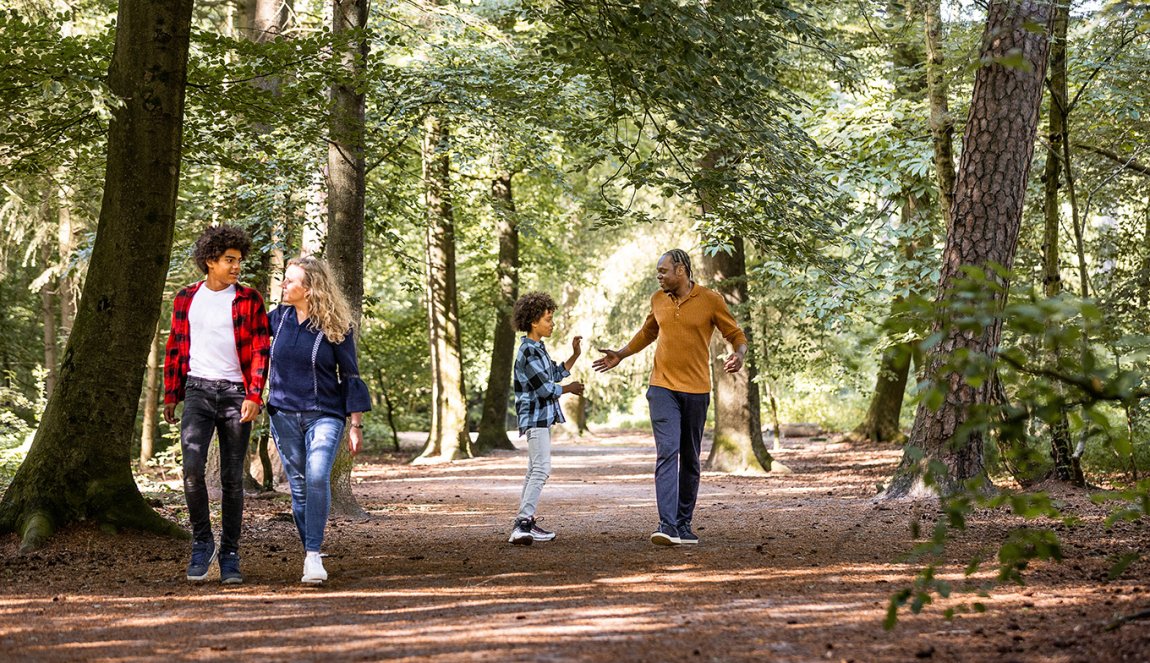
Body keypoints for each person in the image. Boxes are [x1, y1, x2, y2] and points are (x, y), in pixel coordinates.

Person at [592, 249, 747, 546]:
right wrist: (621, 355)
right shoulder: (658, 299)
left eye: (663, 271)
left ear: (681, 270)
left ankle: (684, 524)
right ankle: (667, 525)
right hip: (662, 387)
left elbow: (736, 335)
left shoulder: (710, 300)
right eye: (658, 272)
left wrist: (738, 355)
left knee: (690, 458)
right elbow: (647, 332)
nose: (659, 276)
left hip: (697, 390)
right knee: (667, 450)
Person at [164, 225, 270, 584]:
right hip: (197, 392)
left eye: (239, 260)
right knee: (192, 470)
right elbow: (176, 347)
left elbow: (260, 349)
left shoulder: (249, 299)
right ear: (210, 261)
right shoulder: (185, 298)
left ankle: (230, 553)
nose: (236, 266)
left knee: (231, 478)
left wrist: (255, 395)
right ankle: (202, 542)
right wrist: (171, 395)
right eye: (229, 260)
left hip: (237, 396)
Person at [267, 256, 371, 584]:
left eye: (290, 281)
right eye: (284, 280)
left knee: (316, 478)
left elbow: (351, 375)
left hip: (324, 415)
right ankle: (311, 548)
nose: (284, 285)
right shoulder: (277, 319)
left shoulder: (336, 326)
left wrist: (355, 425)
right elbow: (246, 341)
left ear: (310, 289)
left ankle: (313, 555)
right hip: (282, 415)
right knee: (297, 487)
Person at [508, 292, 584, 545]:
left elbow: (554, 373)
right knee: (541, 469)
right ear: (534, 322)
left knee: (534, 470)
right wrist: (569, 389)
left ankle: (524, 522)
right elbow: (545, 389)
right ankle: (522, 524)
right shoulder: (527, 352)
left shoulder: (537, 348)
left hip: (541, 418)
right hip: (535, 418)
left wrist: (575, 355)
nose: (552, 324)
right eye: (548, 319)